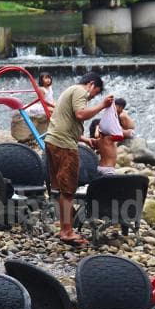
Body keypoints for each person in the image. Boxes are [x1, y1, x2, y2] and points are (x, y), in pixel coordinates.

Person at [45, 72, 113, 245]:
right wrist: (101, 105)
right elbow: (80, 115)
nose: (91, 97)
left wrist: (84, 139)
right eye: (95, 93)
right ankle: (66, 232)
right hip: (64, 145)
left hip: (53, 140)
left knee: (61, 189)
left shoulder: (70, 91)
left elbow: (65, 121)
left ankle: (65, 226)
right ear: (91, 84)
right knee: (68, 190)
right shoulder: (81, 91)